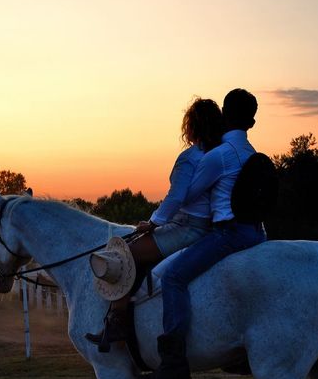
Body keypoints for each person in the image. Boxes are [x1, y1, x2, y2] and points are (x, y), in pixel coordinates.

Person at [134, 89, 267, 379]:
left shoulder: (218, 156)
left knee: (174, 278)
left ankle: (173, 361)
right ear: (253, 122)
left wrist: (155, 221)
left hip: (228, 233)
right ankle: (240, 354)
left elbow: (186, 195)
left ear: (226, 115)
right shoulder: (252, 153)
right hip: (258, 232)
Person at [86, 97, 225, 349]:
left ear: (190, 127)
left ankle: (118, 322)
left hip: (187, 227)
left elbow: (177, 197)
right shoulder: (219, 154)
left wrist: (153, 222)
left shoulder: (189, 158)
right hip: (208, 226)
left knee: (123, 255)